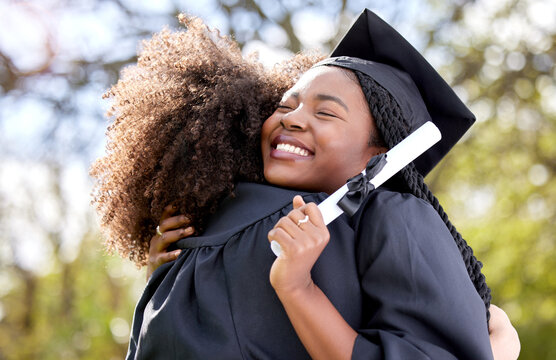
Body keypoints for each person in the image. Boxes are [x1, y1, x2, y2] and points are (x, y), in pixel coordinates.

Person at [91, 9, 520, 360]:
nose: (292, 118)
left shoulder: (388, 217)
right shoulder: (213, 223)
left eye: (326, 113)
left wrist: (298, 288)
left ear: (380, 156)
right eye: (284, 105)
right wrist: (163, 282)